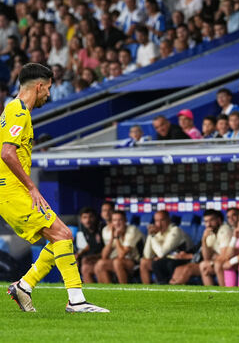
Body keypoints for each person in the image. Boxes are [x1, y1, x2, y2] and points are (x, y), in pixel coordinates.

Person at [2, 63, 108, 312]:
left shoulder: (13, 110)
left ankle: (24, 287)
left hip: (9, 191)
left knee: (60, 237)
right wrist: (32, 187)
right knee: (63, 235)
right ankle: (76, 301)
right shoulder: (18, 112)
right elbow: (7, 153)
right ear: (38, 86)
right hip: (13, 192)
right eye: (48, 88)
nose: (49, 94)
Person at [140, 210, 192, 284]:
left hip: (181, 260)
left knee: (159, 263)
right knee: (144, 262)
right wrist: (150, 236)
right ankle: (147, 291)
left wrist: (152, 236)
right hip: (166, 261)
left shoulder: (175, 230)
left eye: (162, 220)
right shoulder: (157, 233)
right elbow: (147, 255)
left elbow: (161, 253)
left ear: (169, 220)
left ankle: (164, 287)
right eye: (157, 221)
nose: (159, 224)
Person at [94, 210, 144, 285]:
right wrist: (112, 238)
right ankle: (109, 291)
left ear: (125, 220)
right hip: (119, 261)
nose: (117, 223)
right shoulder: (111, 231)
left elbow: (121, 255)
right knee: (100, 264)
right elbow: (104, 256)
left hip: (135, 262)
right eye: (114, 220)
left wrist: (116, 238)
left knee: (117, 262)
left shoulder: (132, 230)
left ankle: (123, 289)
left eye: (120, 220)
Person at [75, 207, 104, 284]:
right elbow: (85, 248)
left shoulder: (102, 229)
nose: (88, 220)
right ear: (81, 220)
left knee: (91, 263)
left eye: (90, 217)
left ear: (95, 218)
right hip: (91, 260)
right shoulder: (82, 231)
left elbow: (106, 251)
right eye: (85, 217)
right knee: (83, 265)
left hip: (104, 258)